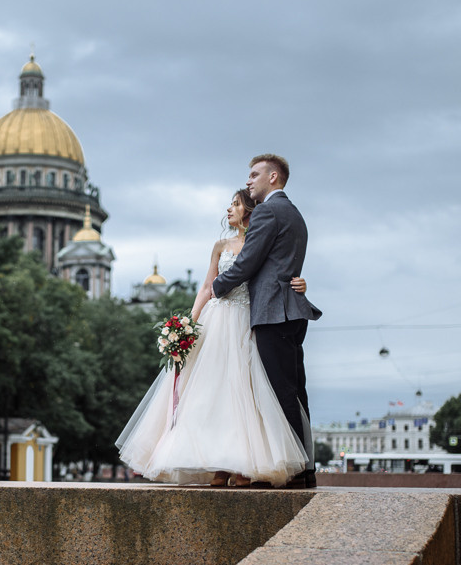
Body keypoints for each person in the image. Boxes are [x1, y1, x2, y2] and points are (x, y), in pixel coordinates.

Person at [116, 188, 311, 487]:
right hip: (215, 321)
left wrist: (299, 283)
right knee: (209, 391)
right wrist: (187, 327)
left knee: (243, 392)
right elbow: (207, 287)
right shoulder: (219, 245)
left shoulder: (259, 244)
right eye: (230, 204)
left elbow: (278, 273)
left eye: (235, 204)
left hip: (245, 321)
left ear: (249, 210)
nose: (229, 209)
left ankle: (243, 466)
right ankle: (218, 467)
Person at [212, 154, 322, 488]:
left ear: (273, 177)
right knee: (295, 391)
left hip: (272, 312)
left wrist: (217, 287)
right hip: (292, 310)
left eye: (255, 174)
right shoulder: (296, 213)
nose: (249, 181)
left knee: (277, 392)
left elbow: (247, 262)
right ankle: (305, 468)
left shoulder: (267, 211)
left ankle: (291, 469)